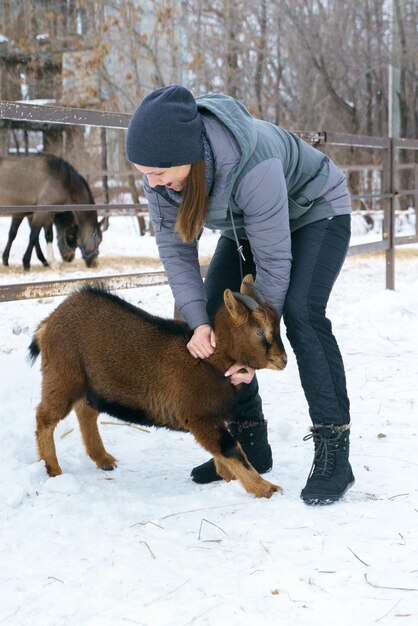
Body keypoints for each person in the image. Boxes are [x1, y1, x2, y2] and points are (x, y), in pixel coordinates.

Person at [125, 84, 355, 505]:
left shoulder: (250, 162)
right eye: (143, 172)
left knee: (302, 314)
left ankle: (333, 452)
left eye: (158, 172)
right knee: (213, 316)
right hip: (248, 225)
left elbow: (274, 263)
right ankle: (251, 443)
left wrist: (255, 358)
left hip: (316, 210)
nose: (150, 182)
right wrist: (196, 324)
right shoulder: (162, 179)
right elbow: (177, 253)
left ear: (188, 156)